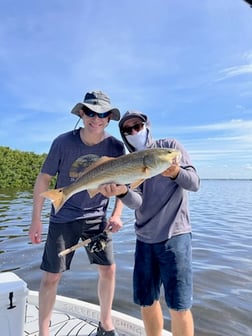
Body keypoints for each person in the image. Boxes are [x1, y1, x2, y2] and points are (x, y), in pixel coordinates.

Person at [29, 90, 125, 336]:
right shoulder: (63, 142)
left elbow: (124, 184)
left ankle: (106, 325)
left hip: (96, 220)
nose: (97, 118)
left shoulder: (116, 146)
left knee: (108, 269)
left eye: (103, 114)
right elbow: (44, 179)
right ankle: (43, 331)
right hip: (63, 218)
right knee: (52, 276)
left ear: (109, 118)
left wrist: (117, 215)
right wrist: (36, 220)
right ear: (82, 113)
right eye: (91, 112)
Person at [99, 110, 200, 336]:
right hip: (144, 240)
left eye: (138, 126)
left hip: (176, 237)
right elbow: (137, 202)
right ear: (124, 135)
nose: (134, 131)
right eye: (128, 130)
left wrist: (175, 172)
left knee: (179, 305)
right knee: (146, 301)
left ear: (147, 126)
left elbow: (194, 183)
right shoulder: (129, 162)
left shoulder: (170, 147)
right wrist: (123, 191)